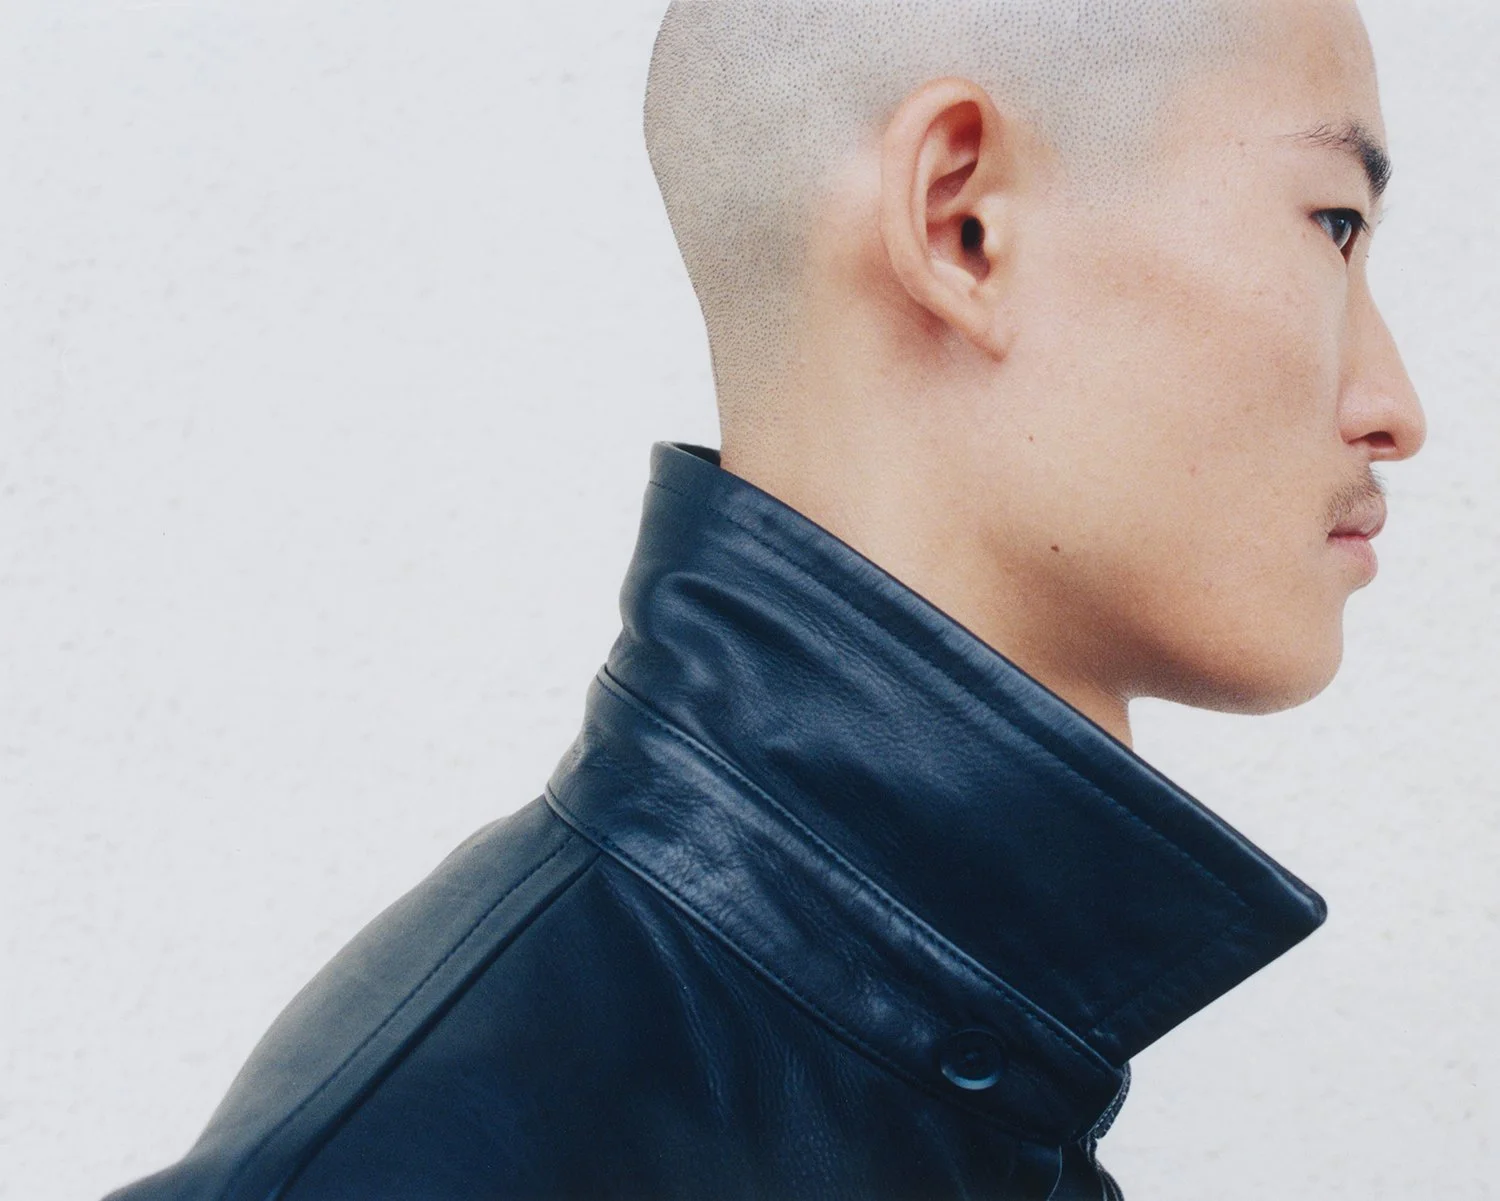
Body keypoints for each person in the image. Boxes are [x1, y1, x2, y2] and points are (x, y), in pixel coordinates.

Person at [105, 0, 1425, 1197]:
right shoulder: (418, 1163)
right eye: (1334, 225)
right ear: (962, 224)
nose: (1396, 409)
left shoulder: (953, 1064)